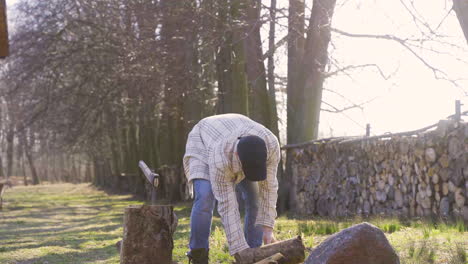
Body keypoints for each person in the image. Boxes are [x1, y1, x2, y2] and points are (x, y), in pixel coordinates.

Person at [183, 113, 281, 264]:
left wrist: (268, 227)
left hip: (233, 129)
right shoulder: (220, 158)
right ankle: (198, 254)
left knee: (255, 198)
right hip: (202, 143)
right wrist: (239, 249)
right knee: (205, 197)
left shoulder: (271, 145)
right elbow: (228, 207)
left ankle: (255, 251)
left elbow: (269, 188)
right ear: (237, 155)